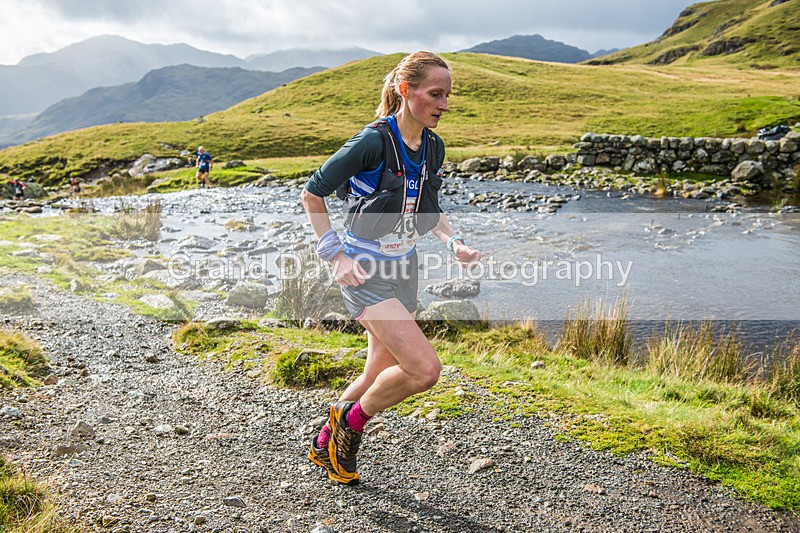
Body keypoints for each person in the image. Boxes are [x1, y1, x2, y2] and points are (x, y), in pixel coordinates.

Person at [300, 51, 482, 485]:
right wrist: (335, 255)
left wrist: (454, 242)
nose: (444, 104)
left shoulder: (433, 147)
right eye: (435, 94)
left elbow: (428, 209)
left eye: (447, 95)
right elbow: (312, 195)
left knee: (376, 371)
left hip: (406, 268)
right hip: (363, 271)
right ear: (406, 91)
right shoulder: (372, 141)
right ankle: (351, 423)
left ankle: (324, 441)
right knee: (423, 370)